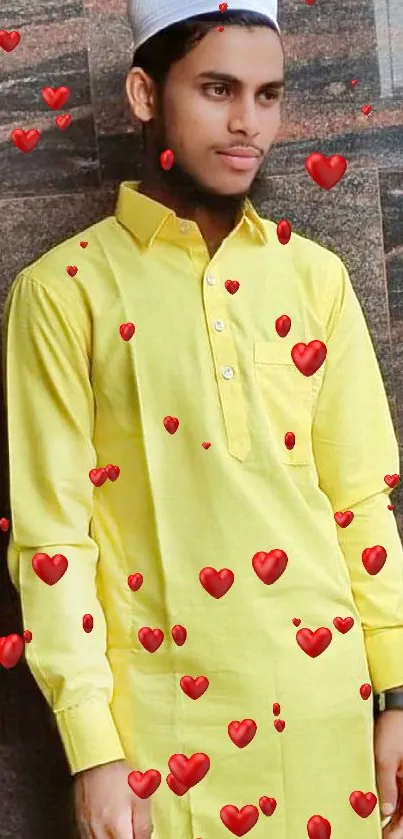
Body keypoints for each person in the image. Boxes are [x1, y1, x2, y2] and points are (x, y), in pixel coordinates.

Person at [2, 0, 403, 837]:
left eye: (267, 95)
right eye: (218, 89)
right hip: (161, 734)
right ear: (146, 94)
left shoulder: (315, 279)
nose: (247, 122)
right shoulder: (62, 294)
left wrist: (395, 696)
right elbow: (53, 540)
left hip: (328, 716)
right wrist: (93, 748)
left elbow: (361, 501)